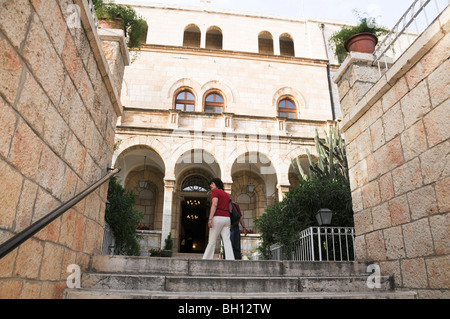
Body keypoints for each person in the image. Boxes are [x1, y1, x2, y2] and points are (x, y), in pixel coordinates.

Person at [202, 178, 235, 260]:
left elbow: (215, 204)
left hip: (217, 217)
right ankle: (230, 259)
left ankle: (207, 259)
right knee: (227, 240)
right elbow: (230, 208)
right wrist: (212, 193)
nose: (210, 185)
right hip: (227, 218)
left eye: (212, 184)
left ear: (217, 184)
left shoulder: (215, 192)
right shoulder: (227, 194)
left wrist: (210, 219)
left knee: (212, 240)